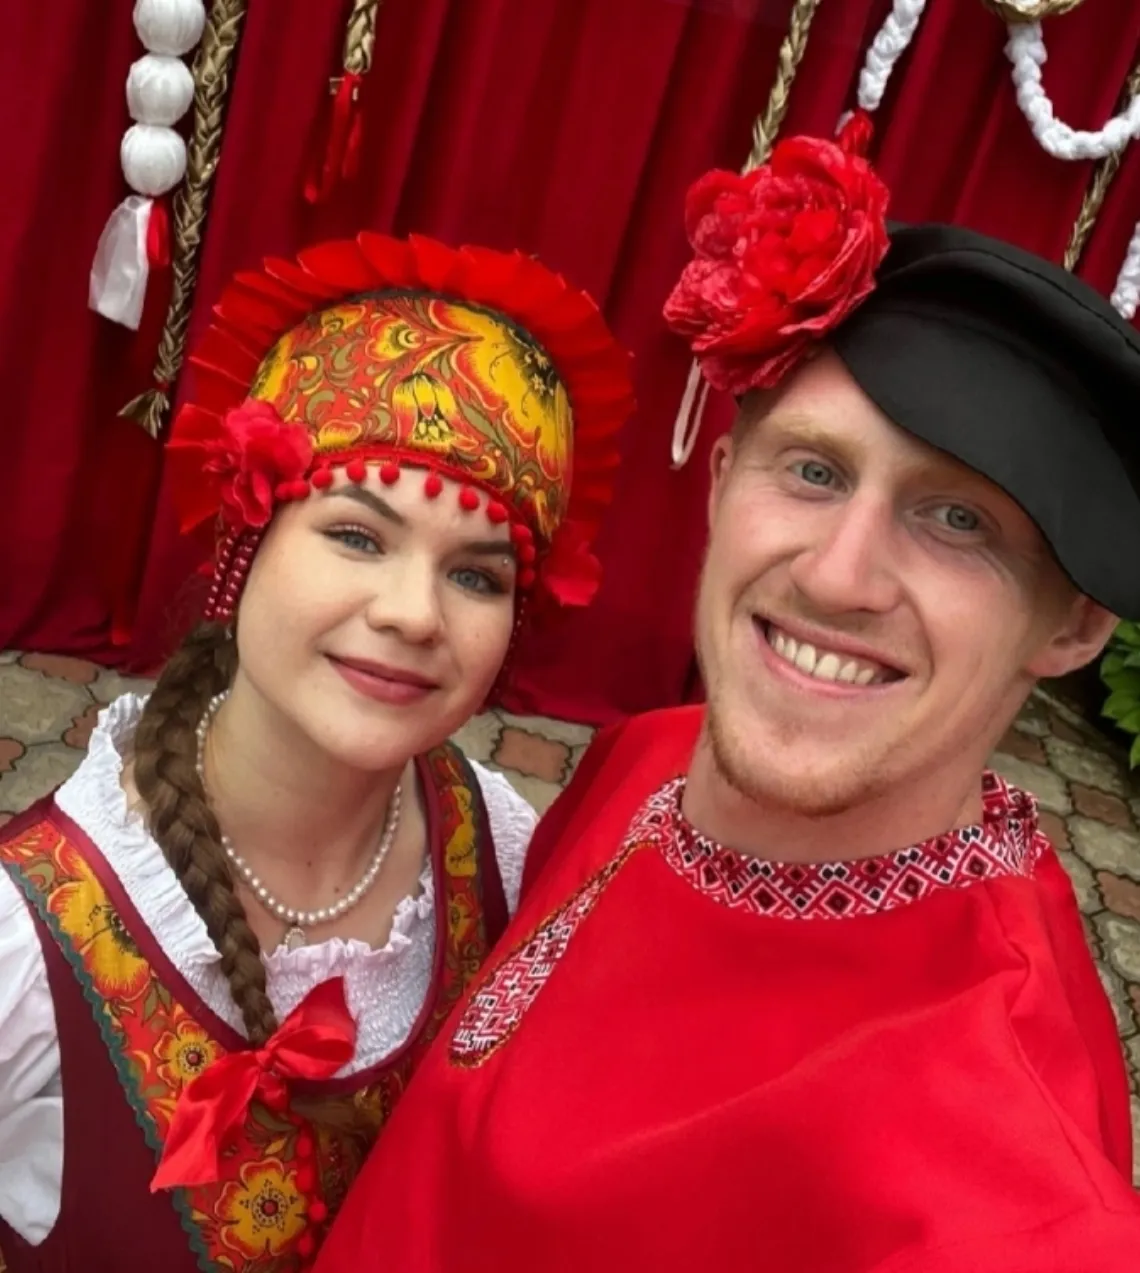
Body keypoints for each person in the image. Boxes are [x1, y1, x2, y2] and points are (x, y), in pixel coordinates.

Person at [313, 119, 1140, 1271]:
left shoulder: (1012, 1212)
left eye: (961, 521)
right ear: (719, 484)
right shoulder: (648, 755)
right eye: (814, 470)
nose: (839, 576)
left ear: (1073, 627)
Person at [0, 232, 633, 1272]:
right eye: (357, 536)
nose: (413, 612)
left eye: (476, 575)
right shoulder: (29, 941)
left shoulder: (498, 849)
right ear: (244, 542)